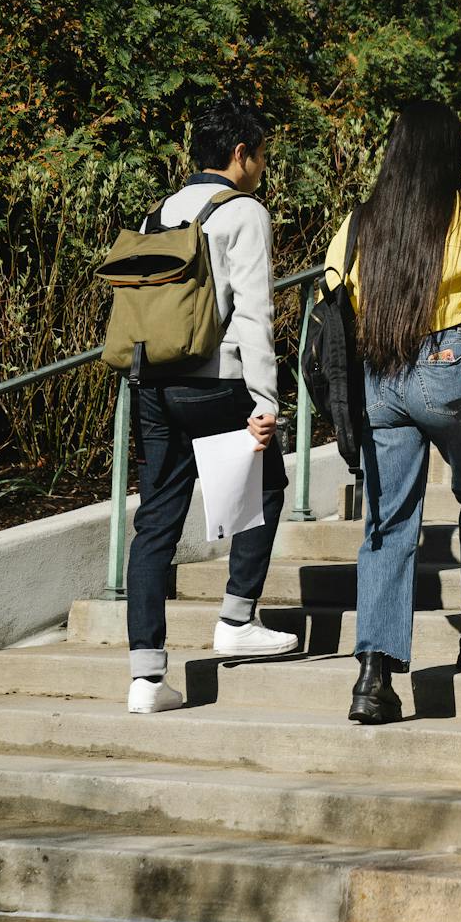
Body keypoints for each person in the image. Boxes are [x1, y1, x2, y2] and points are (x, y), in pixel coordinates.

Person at [322, 101, 461, 726]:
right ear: (450, 151)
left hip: (378, 375)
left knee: (389, 525)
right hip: (445, 364)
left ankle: (374, 677)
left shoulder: (362, 219)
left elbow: (334, 288)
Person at [126, 96, 298, 715]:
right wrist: (265, 401)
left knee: (155, 525)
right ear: (239, 154)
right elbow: (255, 312)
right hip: (216, 382)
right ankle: (235, 618)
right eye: (261, 156)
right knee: (267, 483)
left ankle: (145, 678)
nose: (261, 168)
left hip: (153, 385)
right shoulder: (245, 211)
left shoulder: (160, 211)